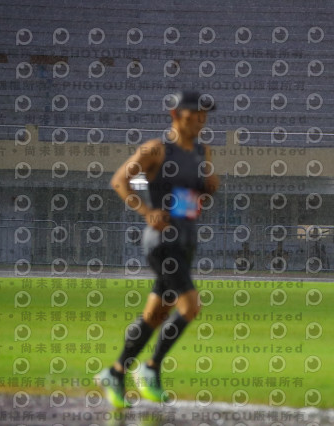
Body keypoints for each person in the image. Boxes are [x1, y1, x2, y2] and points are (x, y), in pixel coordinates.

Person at [95, 90, 219, 408]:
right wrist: (146, 211)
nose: (200, 121)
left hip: (187, 239)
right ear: (175, 115)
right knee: (190, 307)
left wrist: (209, 189)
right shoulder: (156, 149)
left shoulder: (202, 151)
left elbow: (198, 193)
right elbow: (119, 181)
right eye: (193, 114)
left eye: (204, 115)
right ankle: (150, 368)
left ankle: (116, 371)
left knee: (156, 314)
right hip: (162, 242)